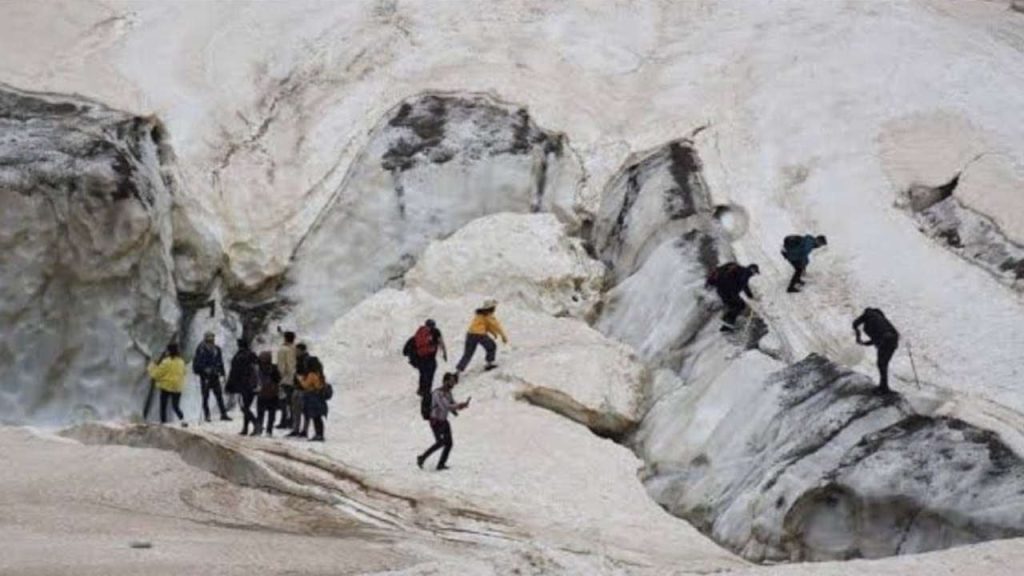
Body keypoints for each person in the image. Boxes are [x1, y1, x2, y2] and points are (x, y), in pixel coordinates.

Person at [417, 372, 470, 471]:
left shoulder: (448, 393)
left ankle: (440, 464)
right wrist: (457, 406)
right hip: (436, 421)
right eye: (451, 382)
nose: (453, 384)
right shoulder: (438, 393)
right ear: (445, 381)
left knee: (448, 443)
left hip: (443, 421)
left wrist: (461, 405)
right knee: (440, 442)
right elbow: (445, 406)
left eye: (454, 382)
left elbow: (452, 404)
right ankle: (422, 458)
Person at [404, 319, 448, 419]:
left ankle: (421, 389)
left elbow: (408, 346)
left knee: (423, 373)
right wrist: (445, 353)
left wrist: (411, 357)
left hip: (420, 359)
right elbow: (441, 343)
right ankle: (426, 396)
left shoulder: (420, 332)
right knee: (429, 376)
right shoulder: (436, 332)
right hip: (430, 359)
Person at [853, 308, 900, 394]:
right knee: (883, 364)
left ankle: (884, 387)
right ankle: (884, 386)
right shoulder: (880, 320)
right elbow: (877, 338)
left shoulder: (868, 315)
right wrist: (863, 341)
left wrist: (858, 337)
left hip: (886, 339)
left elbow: (855, 324)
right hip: (894, 338)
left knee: (881, 364)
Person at [455, 299, 508, 372]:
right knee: (492, 346)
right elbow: (496, 326)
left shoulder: (479, 314)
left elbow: (487, 326)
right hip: (480, 335)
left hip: (470, 334)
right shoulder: (488, 315)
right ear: (491, 308)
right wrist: (503, 336)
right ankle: (489, 363)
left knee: (468, 354)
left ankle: (458, 371)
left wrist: (493, 333)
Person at [706, 263, 760, 332]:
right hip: (726, 291)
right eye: (755, 272)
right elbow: (740, 284)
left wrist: (750, 296)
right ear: (752, 270)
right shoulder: (745, 273)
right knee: (740, 305)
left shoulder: (742, 271)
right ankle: (726, 319)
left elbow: (744, 286)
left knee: (734, 306)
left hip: (723, 290)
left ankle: (726, 326)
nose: (754, 275)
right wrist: (749, 296)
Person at [192, 332, 230, 422]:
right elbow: (197, 363)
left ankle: (223, 414)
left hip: (215, 375)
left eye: (212, 339)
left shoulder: (217, 349)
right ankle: (207, 415)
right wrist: (204, 369)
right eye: (209, 340)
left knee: (219, 395)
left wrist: (222, 373)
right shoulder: (200, 350)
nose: (211, 341)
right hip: (205, 377)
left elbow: (220, 362)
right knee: (205, 397)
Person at [148, 343, 188, 427]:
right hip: (177, 387)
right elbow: (184, 372)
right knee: (176, 406)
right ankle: (183, 420)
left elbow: (156, 374)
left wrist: (151, 365)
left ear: (169, 351)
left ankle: (164, 423)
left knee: (163, 406)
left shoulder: (166, 362)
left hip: (166, 386)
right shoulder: (181, 362)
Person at [226, 339, 259, 436]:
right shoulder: (252, 355)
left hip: (243, 385)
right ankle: (245, 428)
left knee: (244, 407)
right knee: (246, 406)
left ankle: (256, 423)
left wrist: (229, 386)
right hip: (253, 385)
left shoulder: (238, 357)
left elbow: (234, 373)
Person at [299, 357, 328, 442]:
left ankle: (318, 434)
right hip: (319, 398)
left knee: (315, 417)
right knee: (318, 417)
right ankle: (320, 434)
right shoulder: (320, 373)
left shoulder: (311, 374)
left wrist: (300, 380)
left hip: (313, 397)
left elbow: (306, 385)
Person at [254, 351, 282, 437]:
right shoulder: (274, 368)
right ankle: (269, 430)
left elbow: (255, 380)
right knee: (271, 413)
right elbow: (279, 379)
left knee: (260, 413)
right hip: (273, 394)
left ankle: (259, 429)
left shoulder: (258, 369)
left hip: (262, 393)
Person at [288, 343, 311, 438]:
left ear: (302, 350)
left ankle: (304, 430)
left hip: (304, 389)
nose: (296, 352)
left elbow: (308, 374)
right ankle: (296, 429)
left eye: (297, 351)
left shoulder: (307, 360)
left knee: (305, 410)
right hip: (297, 387)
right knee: (295, 410)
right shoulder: (298, 360)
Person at [276, 331, 298, 429]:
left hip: (285, 379)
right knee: (292, 402)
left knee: (283, 401)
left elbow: (281, 367)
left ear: (285, 338)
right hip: (295, 379)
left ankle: (284, 420)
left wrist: (280, 377)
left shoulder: (283, 350)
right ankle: (292, 420)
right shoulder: (295, 349)